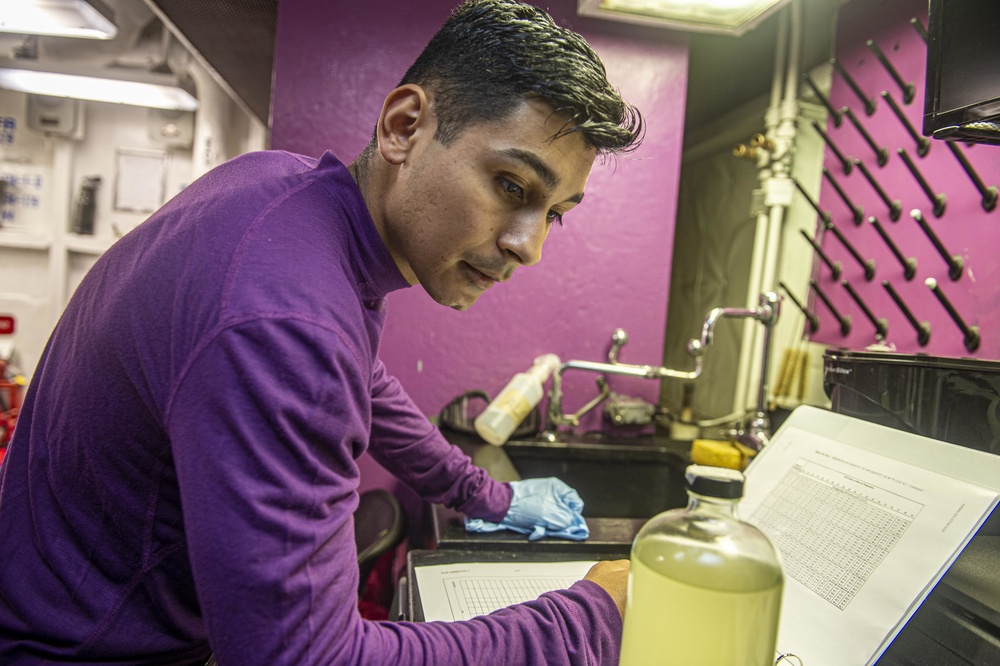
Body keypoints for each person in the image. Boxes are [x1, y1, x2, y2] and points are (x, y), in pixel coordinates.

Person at [0, 0, 644, 663]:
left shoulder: (283, 196)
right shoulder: (285, 321)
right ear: (404, 127)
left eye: (555, 214)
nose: (529, 246)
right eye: (511, 185)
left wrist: (482, 493)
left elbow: (367, 384)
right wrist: (588, 623)